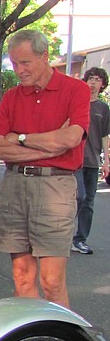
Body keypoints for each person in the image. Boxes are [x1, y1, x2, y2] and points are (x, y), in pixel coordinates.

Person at [0, 29, 90, 307]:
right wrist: (49, 145)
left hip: (55, 187)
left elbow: (70, 140)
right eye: (15, 63)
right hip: (15, 186)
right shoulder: (11, 97)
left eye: (25, 63)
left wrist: (19, 138)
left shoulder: (75, 90)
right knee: (21, 276)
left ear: (44, 57)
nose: (19, 70)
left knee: (52, 281)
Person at [71, 66, 110, 254]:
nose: (93, 82)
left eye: (97, 79)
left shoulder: (103, 108)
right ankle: (63, 235)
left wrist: (106, 161)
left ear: (102, 84)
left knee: (89, 202)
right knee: (78, 197)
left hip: (93, 161)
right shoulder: (78, 102)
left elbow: (104, 135)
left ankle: (80, 239)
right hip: (75, 159)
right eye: (91, 78)